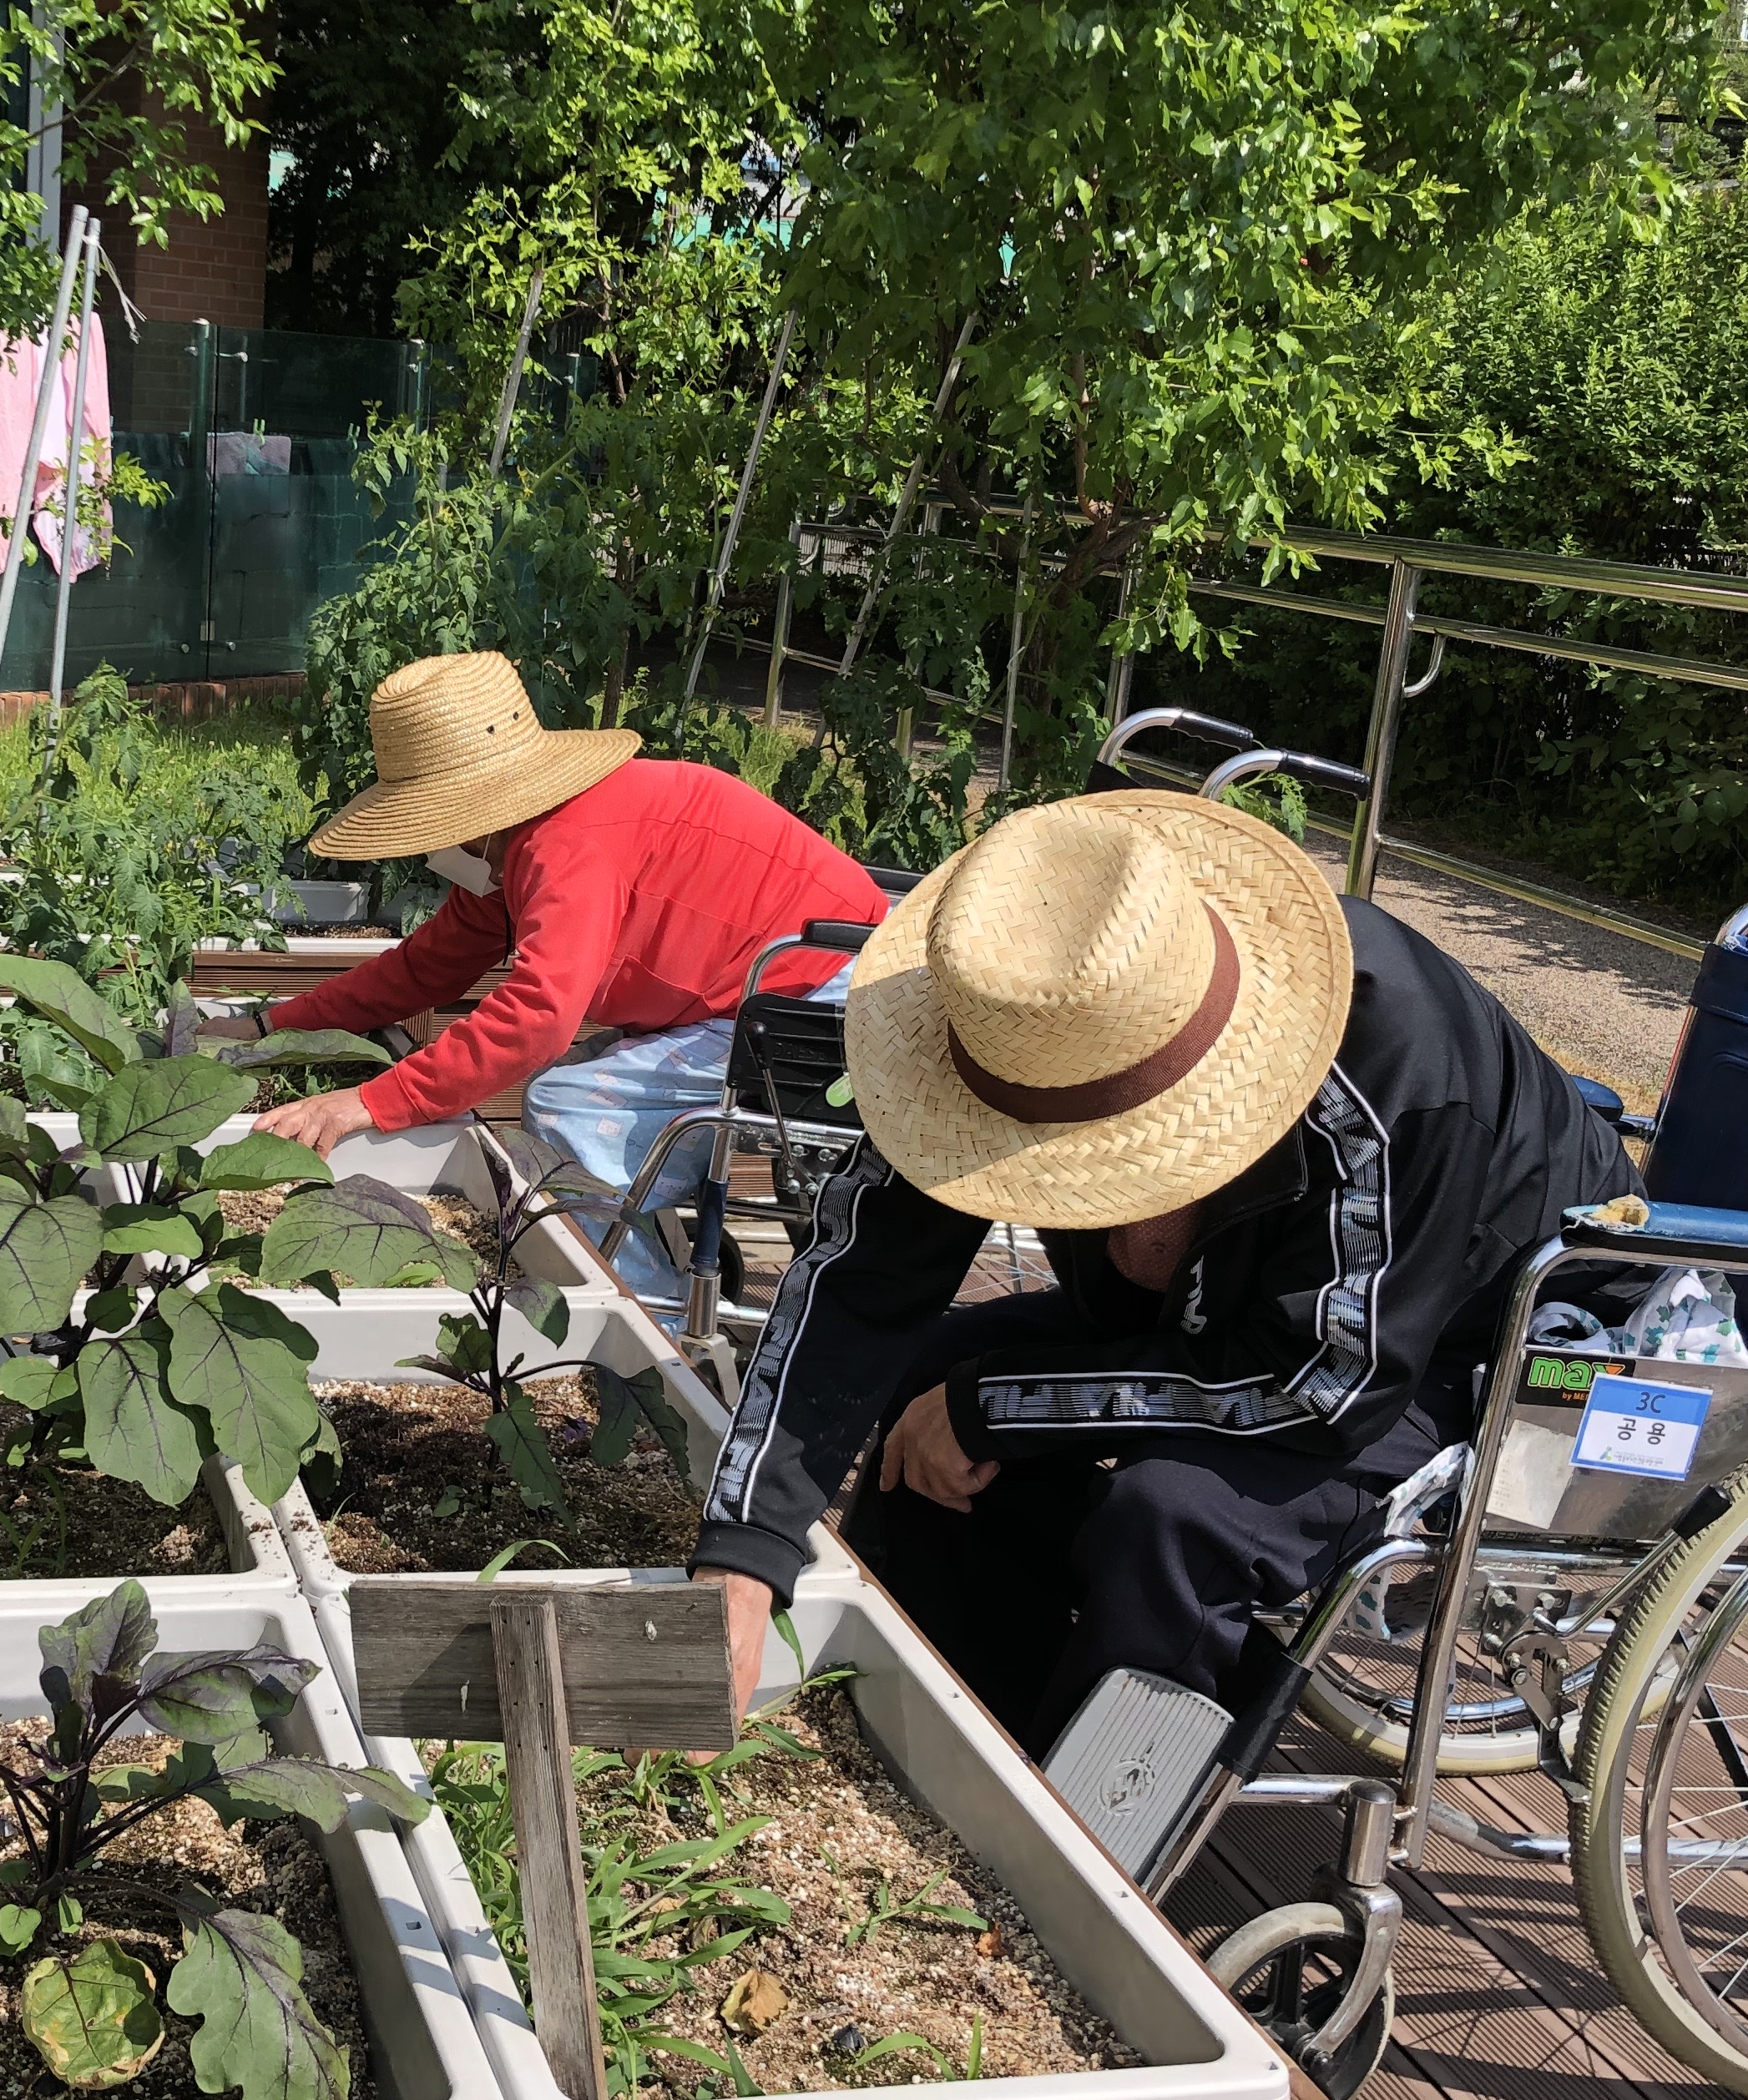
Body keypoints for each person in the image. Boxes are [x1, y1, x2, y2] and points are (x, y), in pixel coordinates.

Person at [690, 787, 1638, 1754]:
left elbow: (1324, 1389)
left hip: (1465, 1344)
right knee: (926, 1376)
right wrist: (743, 1556)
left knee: (1174, 1514)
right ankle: (945, 1731)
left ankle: (1099, 1806)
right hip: (1221, 1299)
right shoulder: (996, 1021)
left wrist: (994, 1407)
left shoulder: (1394, 1074)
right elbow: (859, 1282)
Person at [249, 651, 887, 1298]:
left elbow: (538, 1018)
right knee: (574, 1091)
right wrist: (269, 1027)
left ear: (467, 809)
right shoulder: (516, 845)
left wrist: (367, 1102)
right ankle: (640, 1253)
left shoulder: (564, 844)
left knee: (570, 1106)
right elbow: (425, 968)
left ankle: (641, 1315)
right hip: (766, 992)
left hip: (823, 994)